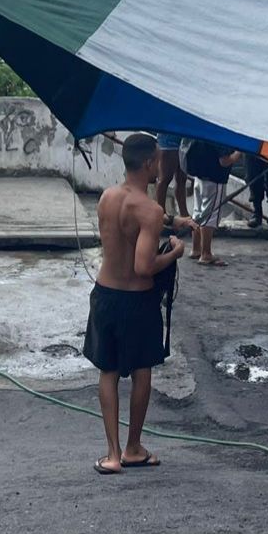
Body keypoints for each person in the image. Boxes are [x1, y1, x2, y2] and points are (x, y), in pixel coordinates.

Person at [84, 132, 185, 475]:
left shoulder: (107, 197)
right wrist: (173, 252)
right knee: (142, 371)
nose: (159, 165)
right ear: (147, 163)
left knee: (108, 371)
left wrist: (173, 222)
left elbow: (131, 225)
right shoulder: (151, 210)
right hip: (138, 300)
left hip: (105, 294)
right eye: (157, 160)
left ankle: (111, 455)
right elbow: (144, 266)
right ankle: (133, 447)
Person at [182, 139, 241, 266]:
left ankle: (196, 248)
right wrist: (239, 152)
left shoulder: (204, 130)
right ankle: (206, 254)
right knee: (210, 216)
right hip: (214, 179)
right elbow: (224, 161)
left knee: (198, 213)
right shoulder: (220, 136)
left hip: (199, 176)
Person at [153, 133, 189, 220]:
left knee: (182, 178)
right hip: (168, 139)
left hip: (184, 139)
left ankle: (184, 214)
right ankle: (161, 213)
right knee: (165, 178)